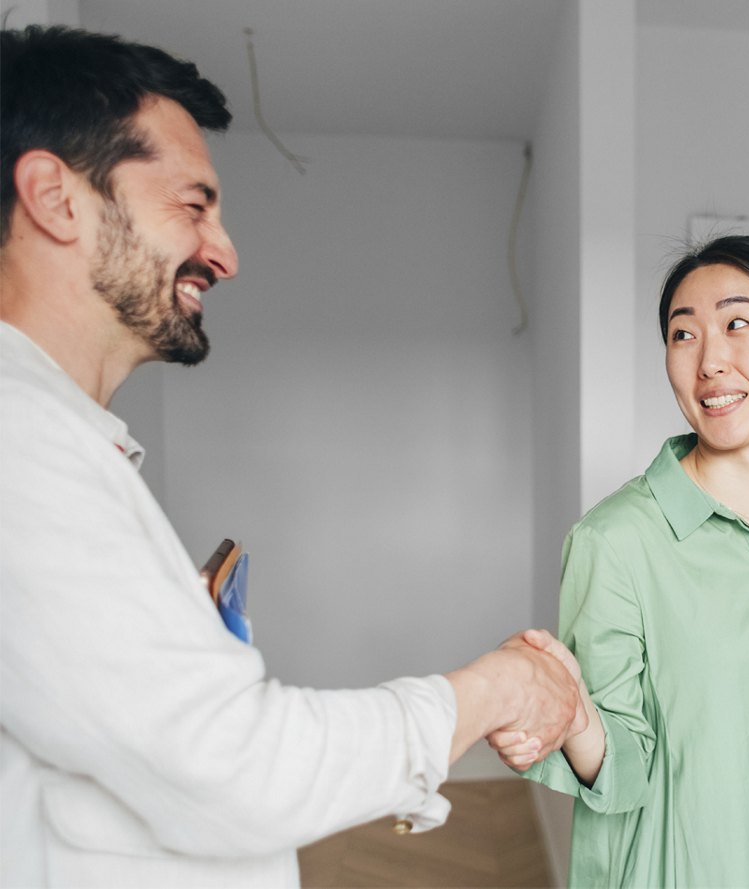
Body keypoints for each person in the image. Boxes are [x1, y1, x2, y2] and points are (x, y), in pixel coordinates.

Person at [0, 25, 582, 888]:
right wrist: (496, 690)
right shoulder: (23, 444)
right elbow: (236, 763)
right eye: (193, 206)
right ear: (55, 197)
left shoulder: (64, 441)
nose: (226, 254)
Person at [493, 235, 749, 886]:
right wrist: (578, 723)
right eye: (684, 335)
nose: (709, 361)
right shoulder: (615, 542)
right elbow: (619, 765)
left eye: (737, 324)